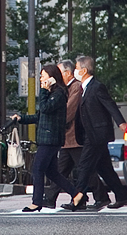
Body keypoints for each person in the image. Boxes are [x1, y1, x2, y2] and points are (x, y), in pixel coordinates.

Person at [11, 65, 84, 212]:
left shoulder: (58, 94)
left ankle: (36, 202)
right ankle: (76, 194)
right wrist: (21, 119)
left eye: (43, 76)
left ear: (52, 78)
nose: (40, 79)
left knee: (37, 169)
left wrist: (44, 90)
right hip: (48, 138)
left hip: (50, 139)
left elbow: (44, 108)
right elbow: (40, 116)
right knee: (52, 172)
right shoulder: (53, 94)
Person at [46, 60, 110, 210]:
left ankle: (98, 197)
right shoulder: (65, 88)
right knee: (63, 170)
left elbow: (68, 111)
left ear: (67, 73)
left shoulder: (75, 87)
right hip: (67, 137)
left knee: (84, 169)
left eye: (60, 73)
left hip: (75, 136)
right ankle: (54, 198)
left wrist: (55, 120)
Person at [71, 56, 127, 210]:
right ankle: (122, 196)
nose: (75, 71)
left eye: (76, 68)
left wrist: (121, 123)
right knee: (105, 168)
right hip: (90, 134)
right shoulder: (85, 88)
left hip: (97, 134)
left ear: (83, 70)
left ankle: (77, 198)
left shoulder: (96, 87)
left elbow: (110, 105)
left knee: (84, 165)